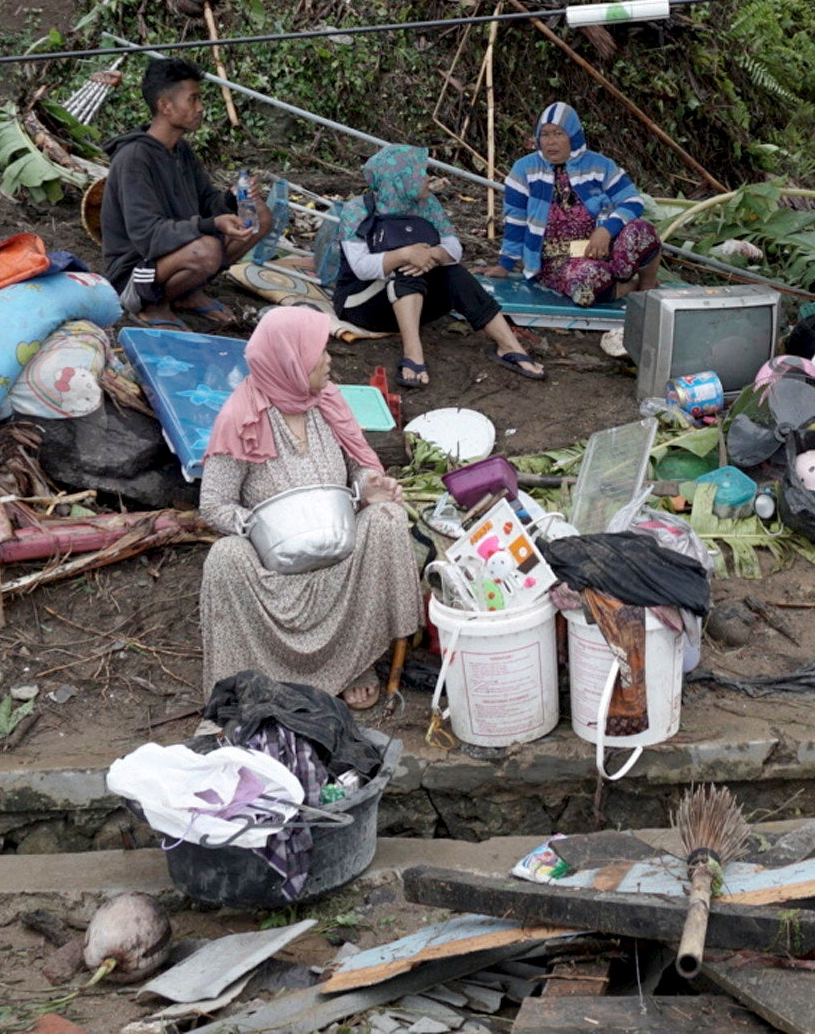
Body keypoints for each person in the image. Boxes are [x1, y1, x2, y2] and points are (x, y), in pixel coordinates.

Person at [196, 306, 420, 707]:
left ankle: (356, 662)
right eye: (320, 351)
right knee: (224, 557)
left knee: (388, 518)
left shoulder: (326, 401)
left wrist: (370, 485)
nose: (330, 360)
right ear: (290, 359)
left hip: (341, 549)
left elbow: (361, 463)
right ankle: (260, 679)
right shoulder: (240, 417)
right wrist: (263, 527)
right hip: (275, 564)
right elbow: (214, 504)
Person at [328, 145, 546, 387]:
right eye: (421, 172)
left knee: (452, 271)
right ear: (400, 179)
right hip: (363, 305)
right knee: (406, 269)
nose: (427, 178)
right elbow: (360, 267)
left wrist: (434, 254)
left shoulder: (427, 205)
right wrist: (406, 254)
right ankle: (413, 353)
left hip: (414, 304)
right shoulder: (357, 211)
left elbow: (454, 247)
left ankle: (509, 346)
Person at [100, 56, 271, 328]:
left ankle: (186, 293)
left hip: (175, 254)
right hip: (135, 273)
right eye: (193, 99)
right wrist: (210, 224)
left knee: (258, 214)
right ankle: (152, 307)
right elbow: (148, 237)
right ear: (165, 106)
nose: (201, 108)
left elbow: (206, 202)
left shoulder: (181, 150)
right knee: (207, 249)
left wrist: (231, 198)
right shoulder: (134, 159)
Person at [486, 102, 660, 357]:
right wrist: (505, 263)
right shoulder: (523, 171)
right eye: (545, 134)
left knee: (642, 231)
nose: (550, 142)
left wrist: (606, 231)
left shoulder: (599, 166)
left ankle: (647, 285)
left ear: (573, 137)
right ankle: (629, 287)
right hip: (557, 262)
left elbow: (633, 201)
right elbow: (516, 220)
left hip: (602, 248)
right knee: (586, 283)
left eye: (558, 134)